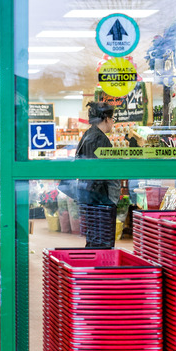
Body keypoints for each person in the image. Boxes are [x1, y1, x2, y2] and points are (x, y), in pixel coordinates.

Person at [75, 101, 121, 247]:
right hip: (100, 199)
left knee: (95, 239)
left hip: (91, 197)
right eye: (112, 119)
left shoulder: (88, 135)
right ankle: (99, 268)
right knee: (102, 242)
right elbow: (99, 172)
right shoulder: (100, 139)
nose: (113, 123)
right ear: (106, 119)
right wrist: (107, 202)